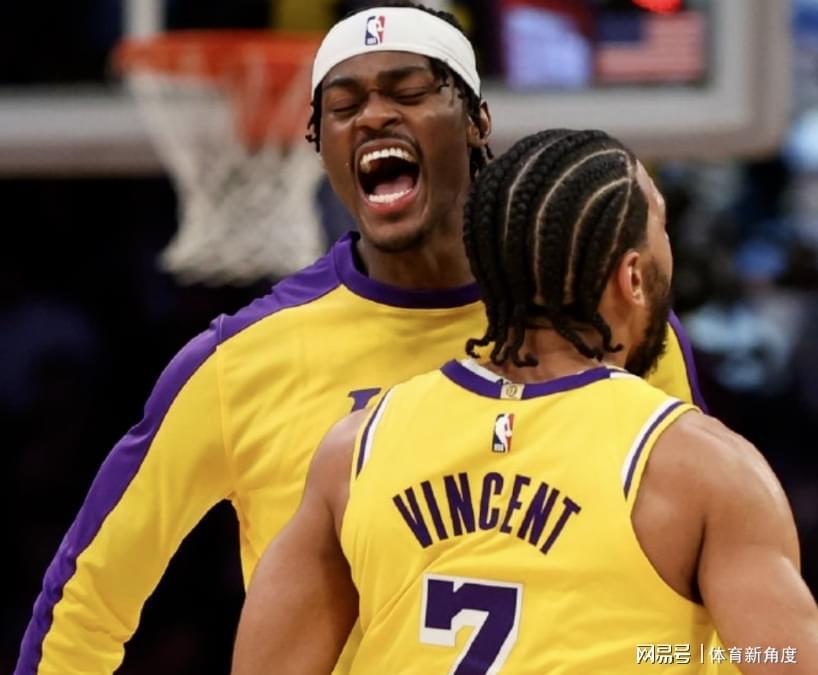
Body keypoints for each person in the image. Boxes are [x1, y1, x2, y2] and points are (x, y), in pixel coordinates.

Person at [17, 4, 704, 674]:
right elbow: (85, 598)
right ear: (319, 144)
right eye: (343, 106)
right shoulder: (239, 363)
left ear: (477, 120)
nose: (374, 115)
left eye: (408, 91)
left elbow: (707, 576)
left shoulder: (602, 320)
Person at [231, 129, 818, 675]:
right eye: (660, 228)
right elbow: (784, 657)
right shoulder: (701, 468)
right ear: (633, 277)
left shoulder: (356, 448)